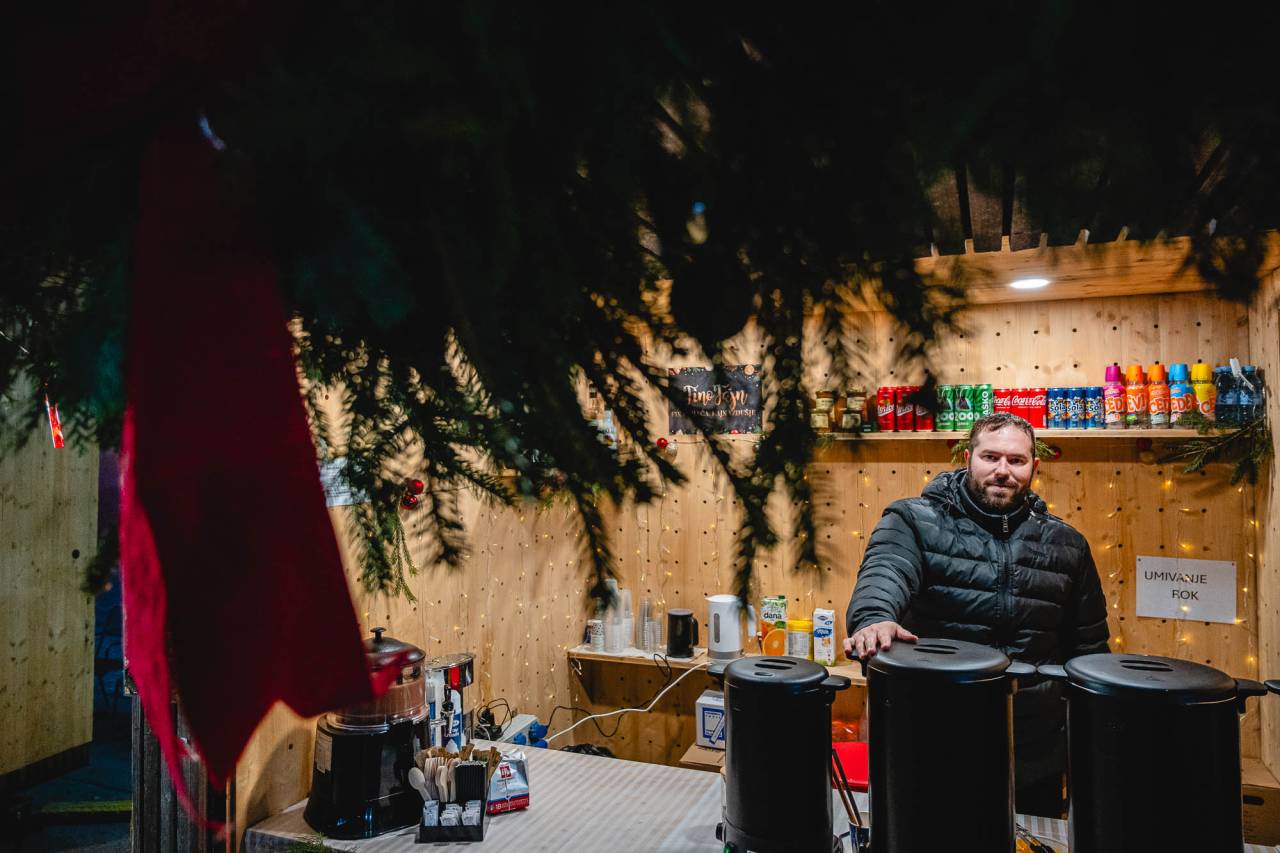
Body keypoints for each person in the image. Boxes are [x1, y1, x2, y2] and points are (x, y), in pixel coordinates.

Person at [843, 411, 1109, 817]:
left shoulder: (1067, 545)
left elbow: (1090, 649)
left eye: (1016, 460)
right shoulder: (913, 521)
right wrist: (874, 618)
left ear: (1034, 467)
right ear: (968, 458)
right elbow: (885, 572)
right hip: (929, 742)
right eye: (990, 457)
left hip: (1032, 756)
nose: (1003, 470)